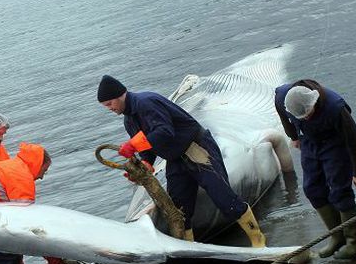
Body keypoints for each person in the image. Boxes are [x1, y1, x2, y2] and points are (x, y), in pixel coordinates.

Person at [97, 75, 266, 247]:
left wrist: (133, 144)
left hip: (197, 148)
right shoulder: (129, 121)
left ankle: (258, 240)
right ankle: (189, 259)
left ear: (120, 95)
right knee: (179, 210)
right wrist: (146, 163)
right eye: (105, 106)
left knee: (223, 196)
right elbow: (147, 149)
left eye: (110, 104)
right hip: (175, 159)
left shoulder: (146, 102)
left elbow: (165, 131)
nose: (109, 108)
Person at [274, 79, 356, 260]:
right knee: (312, 189)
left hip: (334, 143)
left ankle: (354, 244)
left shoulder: (335, 107)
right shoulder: (282, 97)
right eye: (302, 117)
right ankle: (337, 236)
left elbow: (355, 141)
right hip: (309, 142)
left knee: (340, 191)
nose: (307, 118)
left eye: (309, 113)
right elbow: (283, 114)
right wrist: (293, 136)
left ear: (314, 100)